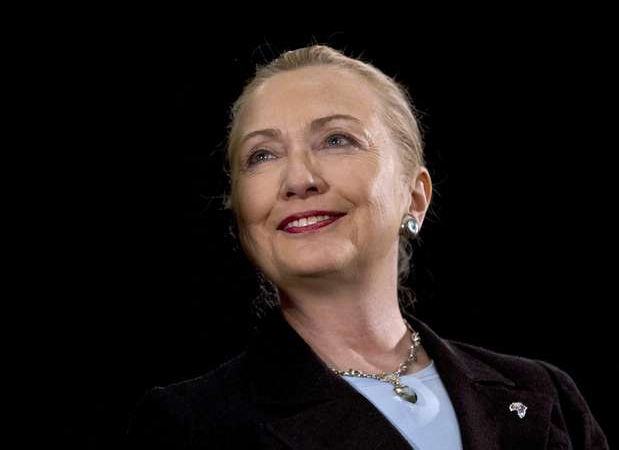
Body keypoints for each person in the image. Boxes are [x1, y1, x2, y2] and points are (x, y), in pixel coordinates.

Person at [127, 44, 608, 449]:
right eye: (262, 155)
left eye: (337, 139)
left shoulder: (547, 395)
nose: (298, 180)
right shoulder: (187, 426)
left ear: (414, 196)